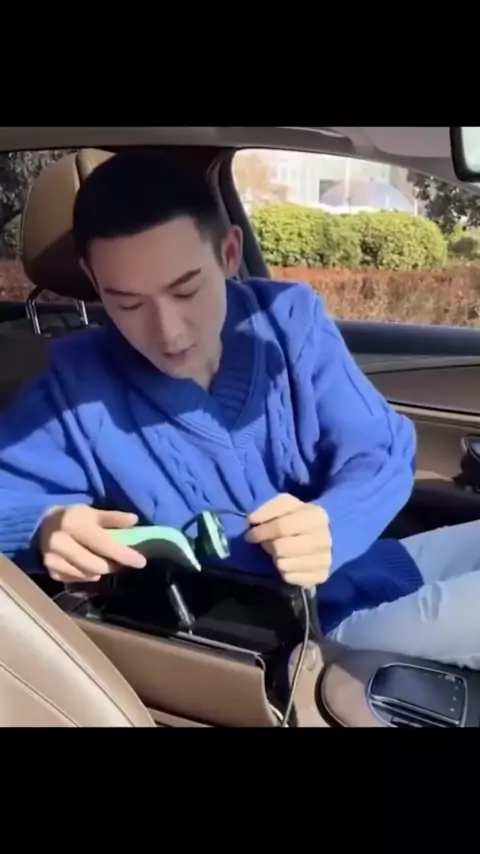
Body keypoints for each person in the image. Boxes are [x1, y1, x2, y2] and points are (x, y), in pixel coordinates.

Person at [0, 149, 436, 661]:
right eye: (128, 303)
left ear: (229, 254)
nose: (168, 333)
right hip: (296, 645)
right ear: (94, 282)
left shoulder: (289, 322)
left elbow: (382, 448)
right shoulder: (73, 387)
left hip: (375, 570)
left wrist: (335, 523)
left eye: (186, 291)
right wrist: (41, 525)